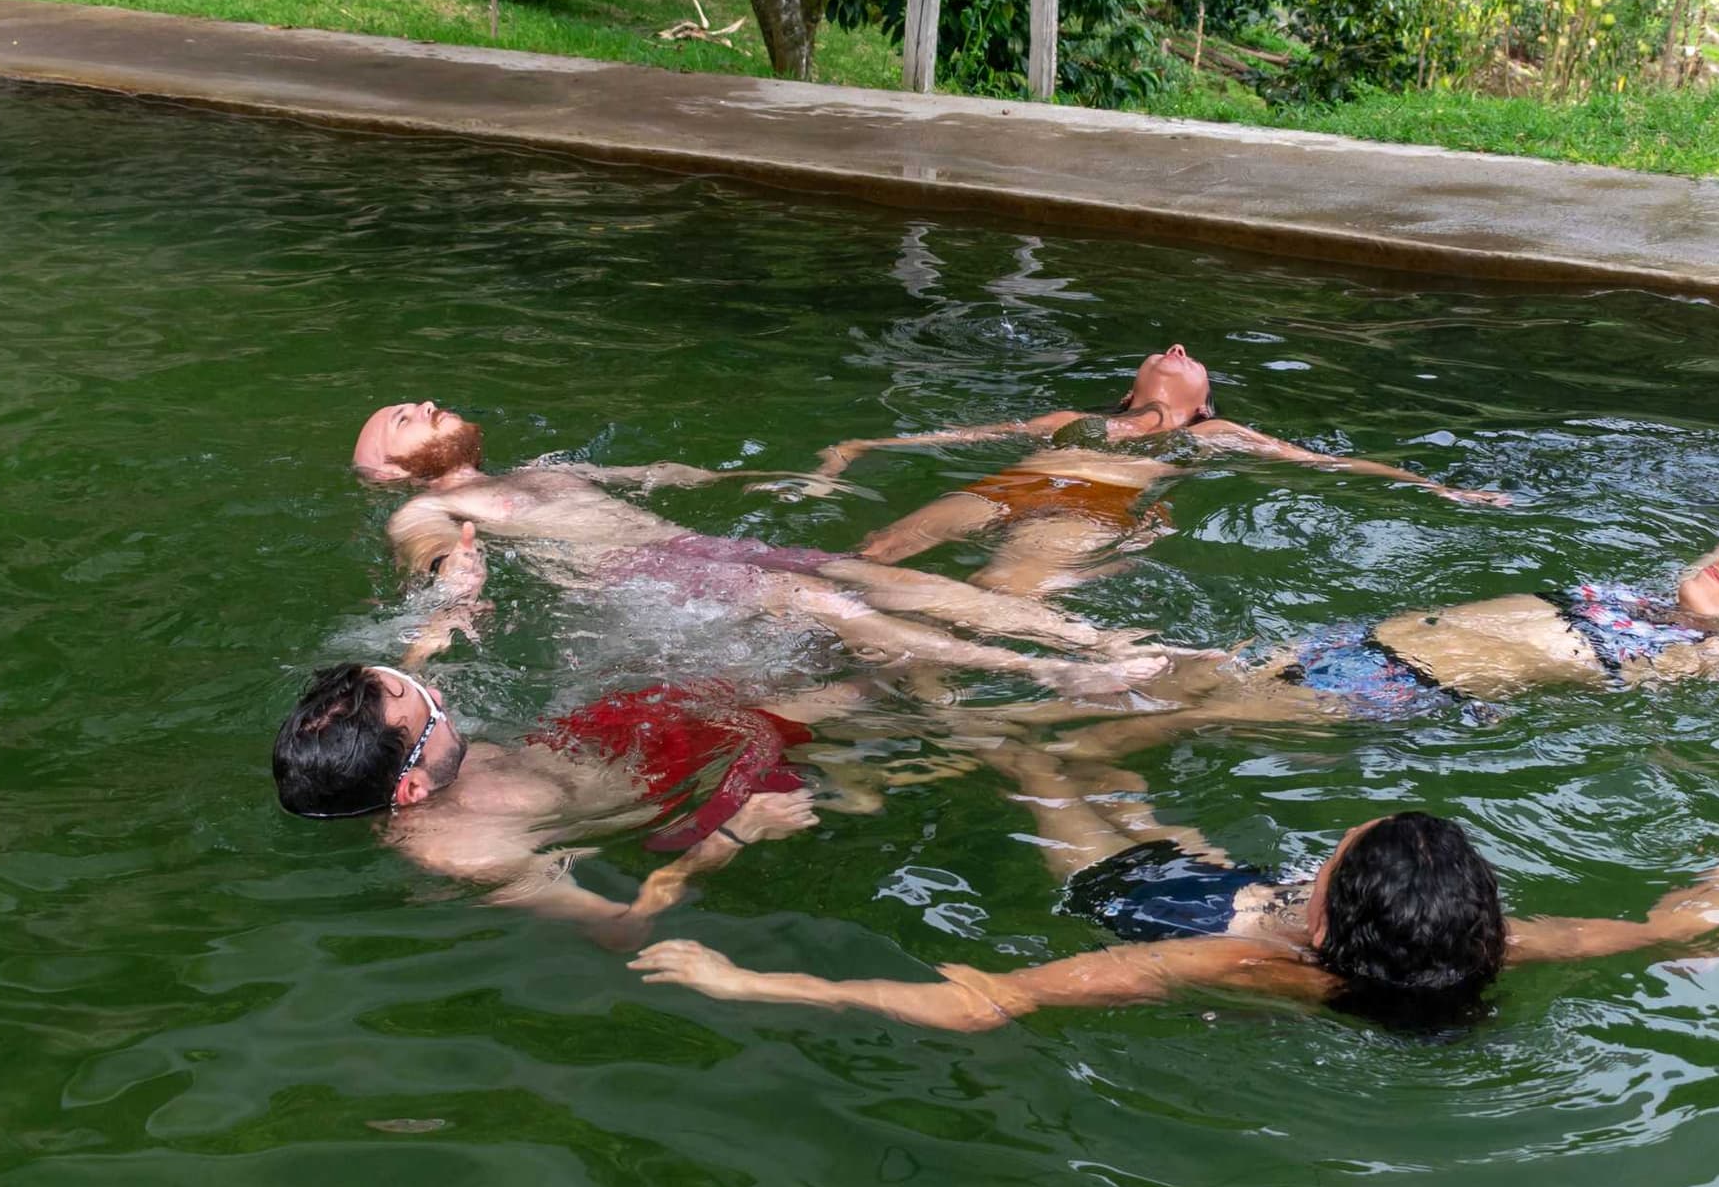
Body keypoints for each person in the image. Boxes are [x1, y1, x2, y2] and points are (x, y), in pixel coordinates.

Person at [1010, 470, 1719, 759]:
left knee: (1085, 718)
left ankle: (864, 751)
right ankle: (849, 684)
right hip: (1333, 647)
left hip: (1383, 692)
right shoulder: (1666, 598)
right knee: (1068, 669)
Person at [628, 748, 1719, 1028]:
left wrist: (751, 978)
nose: (1336, 839)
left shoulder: (1232, 963)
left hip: (1146, 899)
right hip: (1231, 887)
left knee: (1030, 757)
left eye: (1342, 850)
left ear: (1337, 906)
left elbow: (989, 998)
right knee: (1121, 771)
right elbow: (1672, 922)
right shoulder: (1490, 946)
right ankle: (1122, 781)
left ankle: (915, 747)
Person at [353, 400, 1166, 696]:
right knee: (822, 602)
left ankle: (1091, 639)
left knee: (858, 572)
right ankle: (1049, 672)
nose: (424, 403)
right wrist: (449, 573)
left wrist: (795, 476)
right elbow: (425, 553)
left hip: (704, 549)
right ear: (390, 469)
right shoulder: (421, 509)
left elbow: (668, 473)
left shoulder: (540, 472)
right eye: (403, 419)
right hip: (643, 585)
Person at [805, 345, 1512, 596]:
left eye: (1189, 358)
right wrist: (860, 446)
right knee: (876, 553)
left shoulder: (1218, 436)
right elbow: (964, 436)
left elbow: (1327, 463)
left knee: (1001, 596)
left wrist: (1433, 485)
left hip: (1095, 509)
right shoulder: (1062, 423)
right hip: (1013, 485)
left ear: (1203, 405)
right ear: (1127, 391)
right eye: (1162, 350)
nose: (1174, 347)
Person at [272, 659, 844, 947]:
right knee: (860, 691)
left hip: (603, 729)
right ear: (413, 789)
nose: (441, 697)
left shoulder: (382, 753)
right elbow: (622, 926)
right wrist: (731, 836)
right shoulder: (473, 854)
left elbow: (394, 703)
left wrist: (452, 601)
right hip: (675, 769)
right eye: (433, 712)